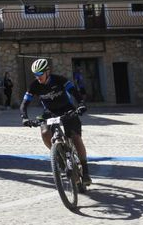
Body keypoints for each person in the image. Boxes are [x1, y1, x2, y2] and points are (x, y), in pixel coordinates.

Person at [20, 58, 91, 186]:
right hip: (50, 112)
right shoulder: (34, 85)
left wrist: (81, 104)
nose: (38, 78)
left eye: (40, 74)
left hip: (67, 109)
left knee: (75, 137)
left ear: (48, 71)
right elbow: (24, 104)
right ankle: (58, 156)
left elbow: (74, 92)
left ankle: (85, 171)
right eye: (35, 75)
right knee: (45, 133)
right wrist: (24, 117)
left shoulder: (60, 80)